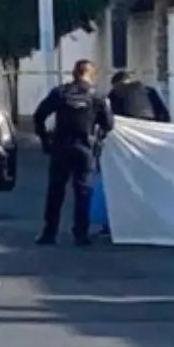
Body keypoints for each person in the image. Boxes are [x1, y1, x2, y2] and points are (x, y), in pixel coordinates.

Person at [32, 59, 115, 246]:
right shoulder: (98, 96)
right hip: (85, 149)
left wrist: (45, 140)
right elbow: (109, 124)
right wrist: (99, 137)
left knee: (55, 192)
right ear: (91, 75)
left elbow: (39, 116)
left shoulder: (60, 93)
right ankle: (81, 234)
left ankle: (49, 232)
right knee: (83, 192)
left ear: (74, 73)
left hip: (60, 148)